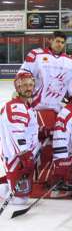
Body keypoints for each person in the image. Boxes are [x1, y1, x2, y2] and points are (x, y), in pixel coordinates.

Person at [19, 30, 72, 182]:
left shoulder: (69, 61)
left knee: (56, 140)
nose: (60, 44)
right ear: (50, 41)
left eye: (63, 42)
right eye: (57, 41)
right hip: (38, 108)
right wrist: (23, 95)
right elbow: (22, 74)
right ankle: (40, 174)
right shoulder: (36, 55)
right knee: (42, 139)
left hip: (57, 109)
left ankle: (50, 173)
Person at [0, 73, 39, 205]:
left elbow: (29, 129)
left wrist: (44, 132)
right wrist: (24, 154)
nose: (29, 88)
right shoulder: (16, 106)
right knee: (19, 200)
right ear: (17, 87)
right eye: (24, 85)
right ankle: (4, 189)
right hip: (15, 157)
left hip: (24, 155)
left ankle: (7, 185)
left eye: (31, 85)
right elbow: (16, 133)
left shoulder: (26, 106)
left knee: (24, 194)